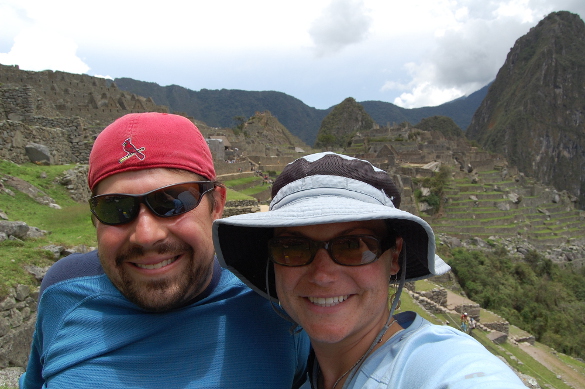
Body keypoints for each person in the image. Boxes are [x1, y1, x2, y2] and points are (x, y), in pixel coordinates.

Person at [20, 113, 309, 388]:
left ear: (216, 205)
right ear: (95, 217)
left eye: (172, 202)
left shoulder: (275, 297)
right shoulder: (63, 291)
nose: (146, 235)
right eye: (115, 207)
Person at [213, 152, 527, 389]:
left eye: (354, 246)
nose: (322, 275)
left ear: (394, 256)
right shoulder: (302, 373)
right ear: (273, 260)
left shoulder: (439, 367)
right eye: (293, 248)